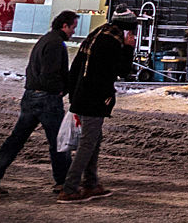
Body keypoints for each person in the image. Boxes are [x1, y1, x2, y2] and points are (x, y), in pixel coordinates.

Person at [0, 8, 76, 197]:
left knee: (15, 141)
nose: (73, 32)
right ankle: (63, 183)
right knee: (59, 142)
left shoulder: (44, 40)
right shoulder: (56, 44)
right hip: (48, 99)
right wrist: (60, 89)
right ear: (64, 25)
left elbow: (32, 69)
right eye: (72, 27)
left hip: (30, 97)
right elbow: (50, 73)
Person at [58, 16, 137, 202]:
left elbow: (76, 66)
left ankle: (91, 183)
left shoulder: (96, 35)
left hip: (82, 95)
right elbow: (123, 71)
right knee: (88, 143)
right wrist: (128, 48)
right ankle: (70, 188)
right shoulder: (114, 42)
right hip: (95, 99)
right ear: (127, 29)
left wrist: (73, 95)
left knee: (93, 140)